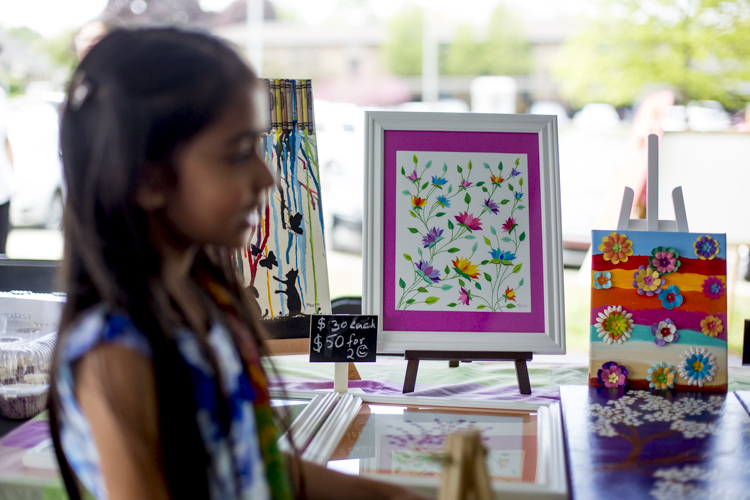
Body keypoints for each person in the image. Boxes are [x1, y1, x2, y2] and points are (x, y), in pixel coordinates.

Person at [49, 28, 424, 500]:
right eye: (238, 153)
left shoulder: (210, 297)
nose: (266, 175)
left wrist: (390, 496)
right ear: (148, 179)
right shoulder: (117, 356)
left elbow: (247, 457)